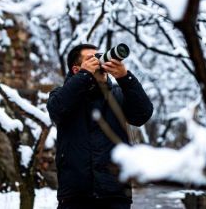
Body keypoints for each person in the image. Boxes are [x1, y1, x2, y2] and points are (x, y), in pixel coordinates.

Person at [47, 43, 153, 209]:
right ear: (76, 69)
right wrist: (84, 76)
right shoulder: (61, 94)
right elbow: (57, 109)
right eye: (92, 59)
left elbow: (142, 115)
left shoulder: (118, 94)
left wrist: (125, 78)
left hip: (115, 194)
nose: (100, 62)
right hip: (76, 195)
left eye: (100, 57)